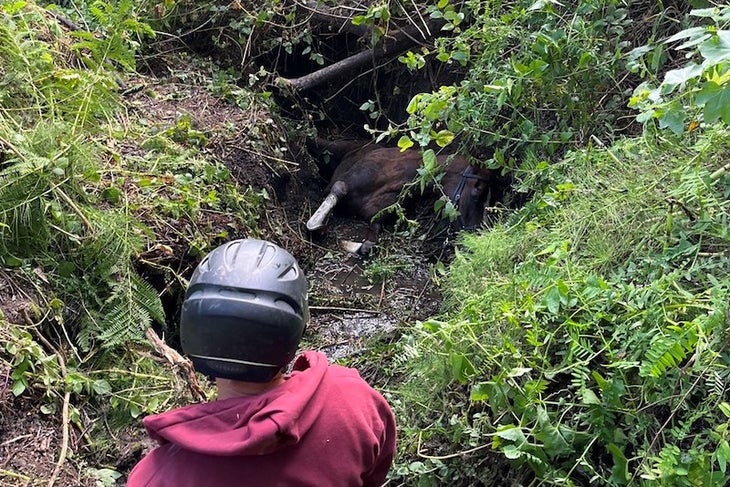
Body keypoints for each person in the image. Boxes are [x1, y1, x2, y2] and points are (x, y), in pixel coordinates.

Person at [126, 238, 397, 487]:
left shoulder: (158, 477)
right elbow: (375, 473)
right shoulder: (354, 399)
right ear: (296, 330)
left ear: (191, 333)